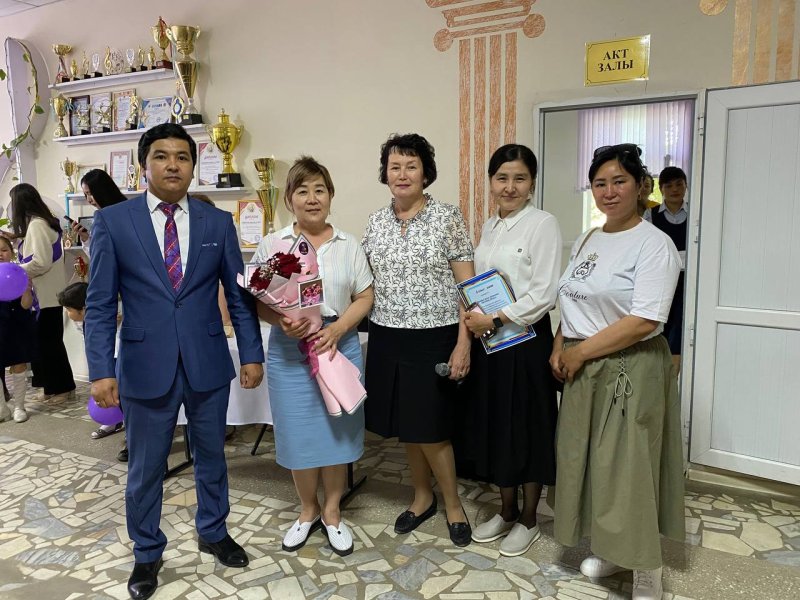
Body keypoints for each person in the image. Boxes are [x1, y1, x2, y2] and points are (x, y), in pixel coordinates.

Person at [84, 123, 264, 600]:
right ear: (144, 166)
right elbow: (99, 303)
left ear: (192, 166)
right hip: (144, 363)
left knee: (212, 457)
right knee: (146, 467)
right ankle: (147, 551)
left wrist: (251, 353)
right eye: (161, 156)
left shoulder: (216, 223)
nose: (172, 165)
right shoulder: (114, 222)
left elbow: (238, 297)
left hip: (207, 360)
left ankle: (214, 530)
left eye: (182, 157)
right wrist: (101, 369)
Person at [549, 144, 684, 599]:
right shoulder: (589, 238)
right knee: (590, 463)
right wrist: (560, 344)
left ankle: (648, 570)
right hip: (584, 365)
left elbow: (645, 320)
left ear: (641, 186)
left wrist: (580, 353)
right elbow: (574, 297)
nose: (608, 192)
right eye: (600, 183)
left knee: (629, 468)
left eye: (619, 181)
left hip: (629, 367)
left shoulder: (654, 244)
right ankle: (611, 548)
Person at [252, 156, 374, 557]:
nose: (312, 198)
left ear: (330, 196)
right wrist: (281, 321)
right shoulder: (273, 245)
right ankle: (307, 510)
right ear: (290, 199)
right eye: (302, 190)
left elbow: (365, 296)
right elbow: (258, 300)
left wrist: (338, 330)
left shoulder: (348, 244)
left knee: (337, 431)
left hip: (338, 343)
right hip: (290, 350)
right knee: (299, 432)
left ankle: (332, 512)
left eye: (319, 189)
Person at [362, 133, 475, 547]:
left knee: (432, 428)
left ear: (425, 172)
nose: (402, 174)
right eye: (395, 166)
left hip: (435, 336)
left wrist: (463, 343)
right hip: (388, 335)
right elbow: (364, 282)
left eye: (411, 166)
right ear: (385, 173)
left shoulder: (447, 218)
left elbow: (468, 289)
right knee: (408, 426)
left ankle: (453, 505)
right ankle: (422, 497)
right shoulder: (375, 222)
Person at [457, 144, 562, 556]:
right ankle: (506, 510)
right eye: (502, 178)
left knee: (528, 427)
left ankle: (530, 517)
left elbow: (544, 293)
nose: (510, 187)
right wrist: (478, 321)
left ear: (532, 183)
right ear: (491, 181)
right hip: (492, 345)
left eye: (519, 178)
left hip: (527, 342)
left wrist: (496, 318)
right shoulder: (490, 226)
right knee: (498, 426)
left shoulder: (543, 224)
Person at [9, 183, 76, 402]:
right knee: (44, 343)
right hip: (46, 295)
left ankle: (63, 388)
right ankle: (50, 387)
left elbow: (41, 262)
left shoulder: (37, 225)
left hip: (46, 297)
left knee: (50, 344)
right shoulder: (41, 223)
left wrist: (16, 270)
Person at [58, 281, 125, 439]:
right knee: (106, 394)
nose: (67, 313)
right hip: (99, 361)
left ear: (84, 309)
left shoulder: (112, 317)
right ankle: (112, 421)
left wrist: (114, 321)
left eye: (69, 309)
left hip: (116, 358)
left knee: (122, 395)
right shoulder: (80, 321)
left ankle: (131, 433)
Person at [644, 166, 688, 374]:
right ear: (661, 189)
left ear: (686, 186)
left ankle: (673, 375)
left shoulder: (697, 213)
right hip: (661, 279)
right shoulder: (651, 215)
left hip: (688, 281)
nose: (675, 189)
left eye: (679, 184)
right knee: (661, 324)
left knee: (680, 326)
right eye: (669, 186)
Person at [0, 235, 36, 423]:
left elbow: (26, 305)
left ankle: (19, 407)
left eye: (4, 250)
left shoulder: (19, 273)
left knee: (19, 364)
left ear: (12, 253)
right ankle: (1, 409)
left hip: (18, 324)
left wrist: (27, 290)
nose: (0, 254)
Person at [73, 169, 128, 256]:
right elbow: (97, 256)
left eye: (90, 193)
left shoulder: (123, 214)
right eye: (85, 194)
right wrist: (86, 238)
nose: (88, 200)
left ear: (102, 191)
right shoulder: (101, 216)